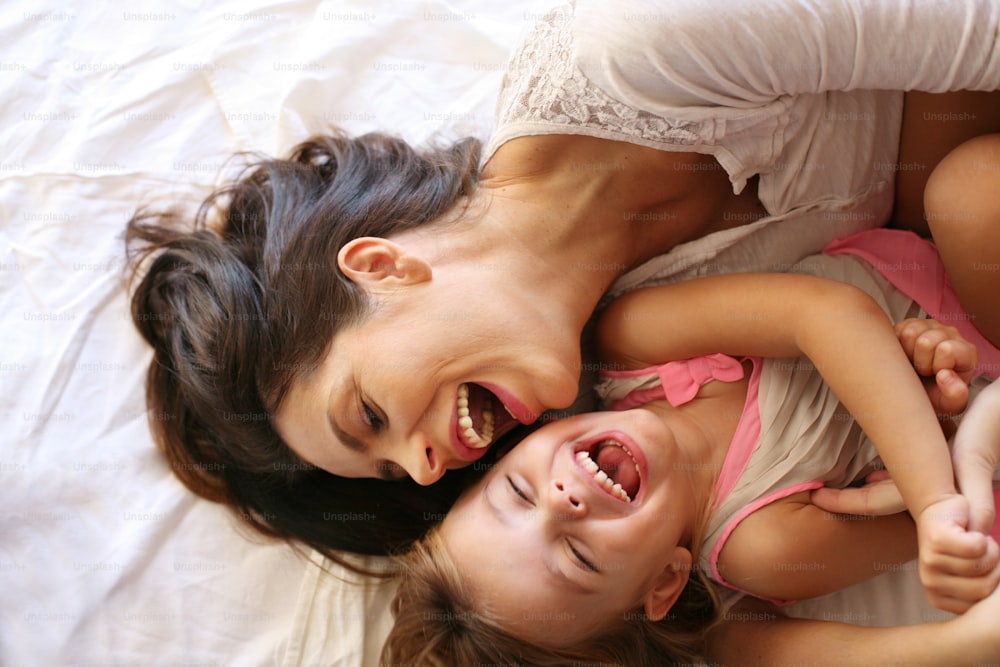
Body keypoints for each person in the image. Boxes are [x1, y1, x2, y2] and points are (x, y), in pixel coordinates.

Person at [125, 0, 1000, 569]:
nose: (426, 464)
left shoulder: (643, 49)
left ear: (380, 267)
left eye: (370, 416)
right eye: (397, 472)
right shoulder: (635, 349)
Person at [379, 235, 1000, 665]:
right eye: (578, 558)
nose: (561, 502)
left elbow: (829, 313)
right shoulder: (765, 546)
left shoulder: (629, 347)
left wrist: (932, 496)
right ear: (665, 582)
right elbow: (961, 519)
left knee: (959, 188)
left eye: (516, 492)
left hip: (941, 255)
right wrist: (942, 416)